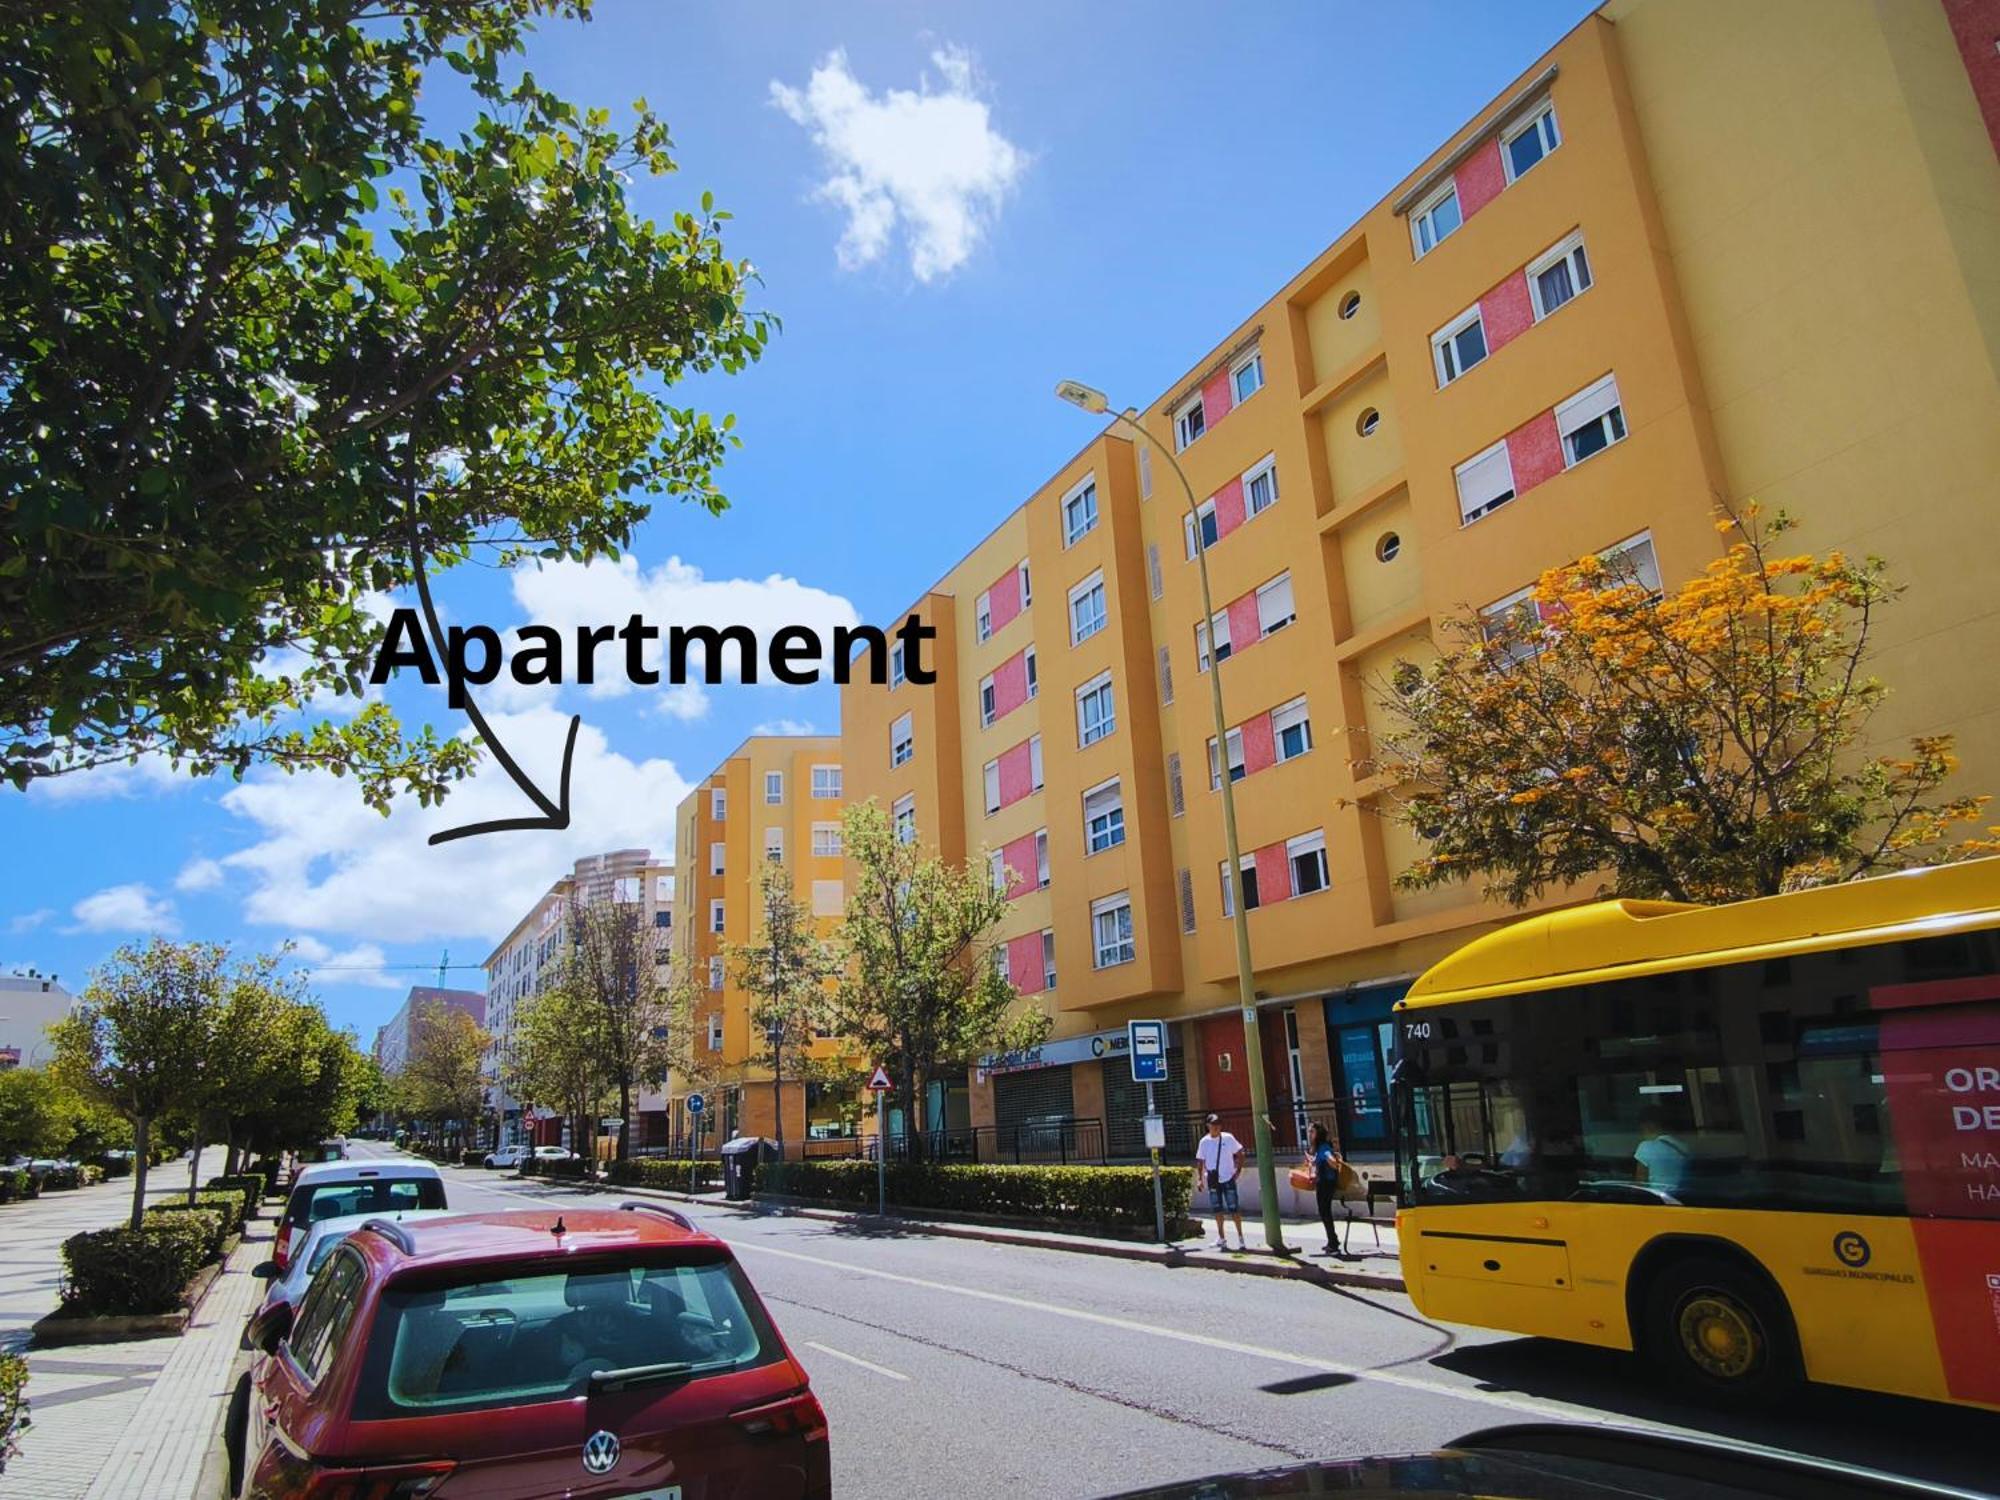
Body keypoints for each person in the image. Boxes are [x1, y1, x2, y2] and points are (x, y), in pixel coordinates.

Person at [1194, 1113, 1247, 1251]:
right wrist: (1200, 1179)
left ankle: (1241, 1238)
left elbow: (1240, 1152)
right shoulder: (1204, 1142)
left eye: (1218, 1124)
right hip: (1213, 1179)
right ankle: (1221, 1237)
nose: (1216, 1127)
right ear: (1208, 1126)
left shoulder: (1228, 1138)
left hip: (1228, 1178)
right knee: (1217, 1209)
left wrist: (1238, 1170)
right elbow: (1200, 1160)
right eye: (1213, 1124)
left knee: (1233, 1208)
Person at [1305, 1123, 1352, 1259]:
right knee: (1324, 1212)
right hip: (1323, 1183)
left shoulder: (1324, 1148)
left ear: (1318, 1134)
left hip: (1326, 1184)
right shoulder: (1320, 1148)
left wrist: (1331, 1161)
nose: (1309, 1134)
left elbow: (1331, 1160)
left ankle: (1333, 1244)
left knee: (1325, 1212)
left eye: (1312, 1132)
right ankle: (1332, 1241)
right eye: (1309, 1132)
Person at [1633, 1111, 1690, 1196]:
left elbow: (1641, 1180)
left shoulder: (1646, 1146)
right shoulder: (1684, 1146)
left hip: (1658, 1198)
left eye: (1642, 1130)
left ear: (1648, 1126)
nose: (1642, 1133)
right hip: (1681, 1196)